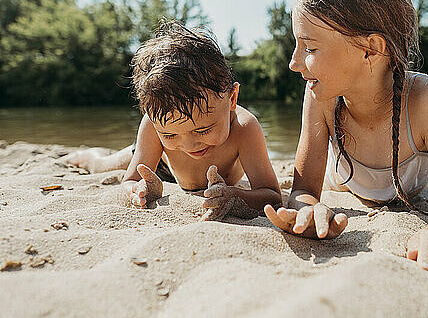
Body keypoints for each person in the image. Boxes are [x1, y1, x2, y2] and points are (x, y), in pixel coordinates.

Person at [264, 0, 428, 285]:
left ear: (371, 49)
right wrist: (308, 210)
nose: (294, 62)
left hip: (409, 185)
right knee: (333, 183)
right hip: (342, 181)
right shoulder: (321, 94)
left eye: (310, 48)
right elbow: (303, 190)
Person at [67, 20, 281, 219]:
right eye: (169, 133)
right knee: (103, 165)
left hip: (190, 171)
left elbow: (272, 196)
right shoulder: (153, 124)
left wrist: (234, 196)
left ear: (232, 98)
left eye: (203, 130)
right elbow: (130, 181)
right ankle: (81, 155)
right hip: (158, 163)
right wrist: (138, 190)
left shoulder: (244, 128)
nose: (188, 145)